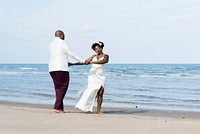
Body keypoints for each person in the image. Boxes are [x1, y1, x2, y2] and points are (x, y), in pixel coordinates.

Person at [48, 30, 85, 113]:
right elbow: (71, 53)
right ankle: (57, 107)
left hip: (52, 68)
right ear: (61, 35)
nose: (64, 36)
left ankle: (60, 108)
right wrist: (82, 61)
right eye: (64, 35)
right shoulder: (62, 42)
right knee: (64, 86)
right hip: (61, 68)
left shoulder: (51, 44)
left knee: (58, 88)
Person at [72, 41, 109, 114]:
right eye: (95, 49)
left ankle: (98, 110)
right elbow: (85, 62)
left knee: (100, 92)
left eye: (97, 48)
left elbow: (104, 61)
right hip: (92, 76)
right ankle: (88, 108)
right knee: (91, 92)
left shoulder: (106, 56)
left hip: (101, 76)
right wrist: (72, 64)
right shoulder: (93, 56)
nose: (96, 50)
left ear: (101, 48)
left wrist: (92, 62)